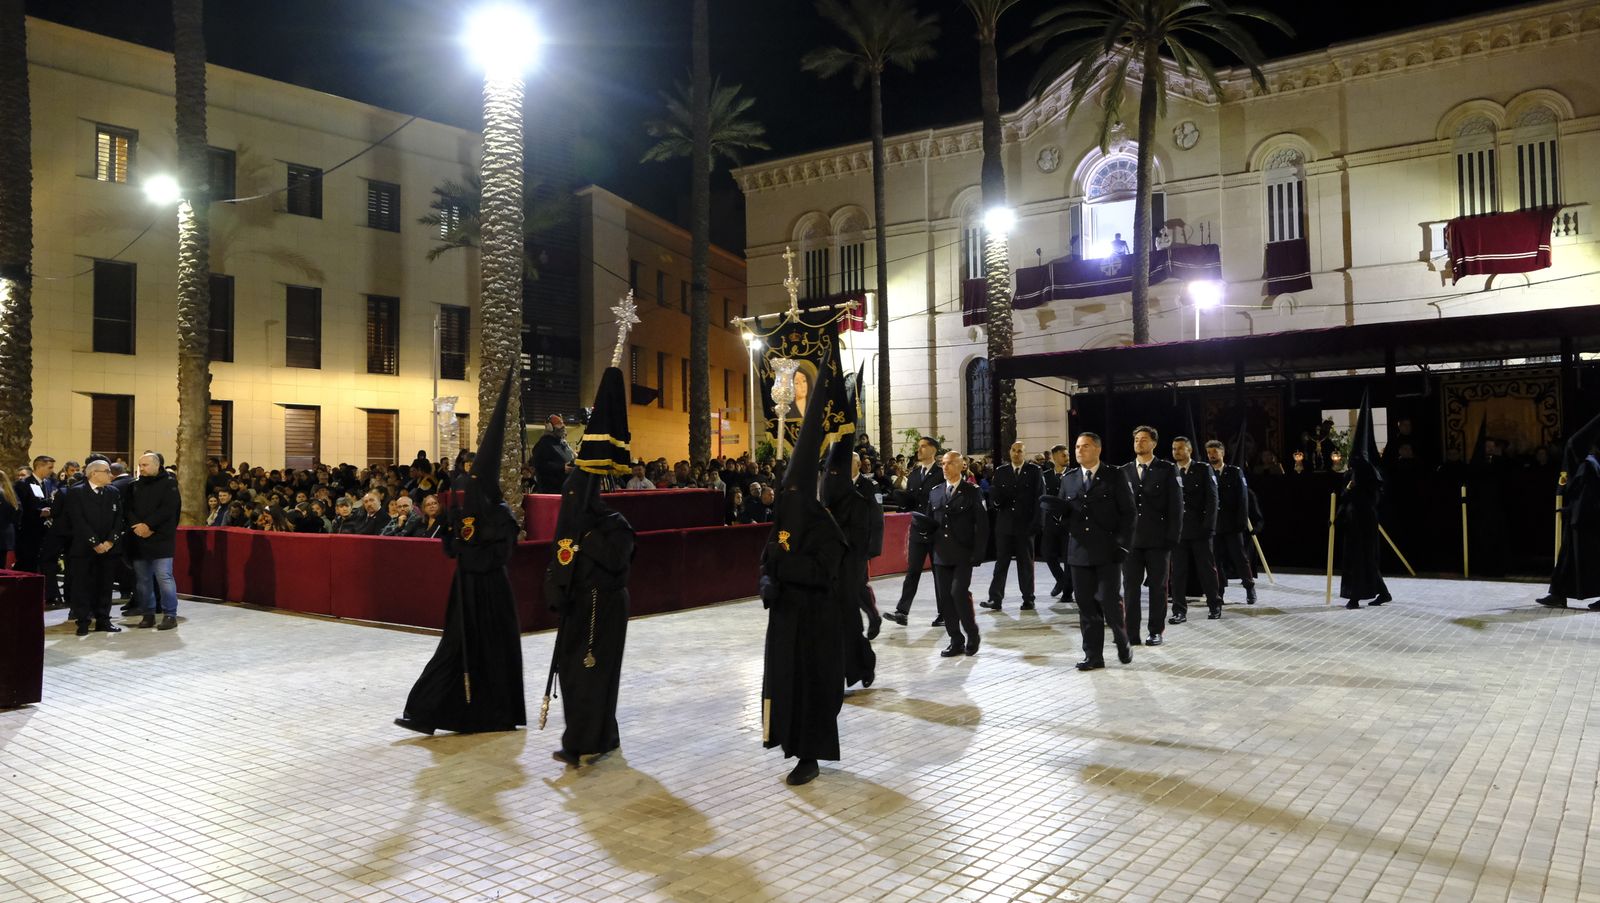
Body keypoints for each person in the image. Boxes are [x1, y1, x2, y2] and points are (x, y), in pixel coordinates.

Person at [395, 369, 526, 736]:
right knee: (453, 650)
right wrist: (451, 528)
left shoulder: (501, 517)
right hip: (463, 593)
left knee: (491, 656)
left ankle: (493, 715)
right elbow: (454, 550)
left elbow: (498, 557)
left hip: (490, 595)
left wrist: (468, 551)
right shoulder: (467, 511)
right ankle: (425, 712)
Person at [545, 364, 637, 767]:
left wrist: (588, 546)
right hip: (577, 608)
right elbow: (558, 559)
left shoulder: (613, 526)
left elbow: (620, 560)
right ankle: (597, 733)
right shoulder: (573, 523)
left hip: (604, 608)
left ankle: (586, 739)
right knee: (575, 673)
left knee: (595, 674)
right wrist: (558, 590)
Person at [760, 362, 846, 786]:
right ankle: (790, 744)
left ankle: (811, 755)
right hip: (784, 620)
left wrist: (784, 568)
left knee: (812, 687)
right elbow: (765, 560)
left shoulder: (824, 527)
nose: (788, 500)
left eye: (795, 493)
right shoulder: (783, 521)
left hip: (814, 622)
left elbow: (822, 570)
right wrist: (766, 581)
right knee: (787, 685)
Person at [1059, 432, 1136, 671]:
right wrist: (1055, 513)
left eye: (1085, 446)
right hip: (1079, 553)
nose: (1079, 451)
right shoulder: (1069, 479)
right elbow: (1064, 513)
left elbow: (1129, 513)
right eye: (1077, 447)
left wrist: (1123, 544)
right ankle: (1093, 656)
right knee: (1086, 606)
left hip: (1108, 552)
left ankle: (1122, 640)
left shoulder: (1114, 475)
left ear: (1098, 450)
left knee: (1110, 602)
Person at [824, 425, 877, 689]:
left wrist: (866, 554)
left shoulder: (860, 494)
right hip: (829, 565)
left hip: (850, 560)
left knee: (849, 620)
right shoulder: (828, 491)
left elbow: (869, 526)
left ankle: (863, 665)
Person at [1121, 426, 1182, 646]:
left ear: (1154, 443)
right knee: (1130, 588)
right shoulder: (1124, 470)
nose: (1139, 443)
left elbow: (1176, 507)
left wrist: (1172, 538)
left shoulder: (1166, 469)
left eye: (1144, 440)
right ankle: (1131, 632)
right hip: (1131, 542)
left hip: (1158, 540)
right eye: (1136, 439)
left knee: (1158, 588)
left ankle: (1155, 631)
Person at [928, 450, 988, 658]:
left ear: (961, 466)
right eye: (943, 463)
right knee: (945, 598)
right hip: (941, 555)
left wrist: (979, 553)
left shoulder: (972, 491)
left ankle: (972, 634)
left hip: (964, 553)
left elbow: (982, 525)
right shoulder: (935, 492)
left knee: (958, 593)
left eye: (950, 463)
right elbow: (929, 524)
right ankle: (955, 640)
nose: (945, 467)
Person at [1538, 412, 1600, 609]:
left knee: (1592, 559)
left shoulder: (1588, 467)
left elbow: (1587, 496)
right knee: (1567, 560)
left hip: (1586, 521)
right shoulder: (1585, 464)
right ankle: (1558, 594)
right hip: (1579, 519)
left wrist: (1572, 512)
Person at [1339, 392, 1392, 610]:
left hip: (1364, 520)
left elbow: (1371, 498)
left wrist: (1353, 489)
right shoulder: (1351, 475)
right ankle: (1381, 592)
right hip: (1353, 520)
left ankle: (1356, 597)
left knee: (1364, 558)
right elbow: (1344, 495)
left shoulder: (1370, 475)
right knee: (1356, 558)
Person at [883, 435, 941, 626]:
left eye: (923, 446)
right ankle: (902, 611)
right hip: (918, 528)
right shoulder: (915, 474)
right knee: (913, 571)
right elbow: (912, 500)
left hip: (936, 530)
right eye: (919, 447)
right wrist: (901, 498)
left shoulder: (941, 473)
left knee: (939, 573)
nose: (919, 450)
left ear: (933, 449)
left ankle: (944, 613)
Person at [61, 459, 123, 637]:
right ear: (94, 473)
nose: (110, 475)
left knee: (105, 585)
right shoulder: (77, 492)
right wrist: (95, 543)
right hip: (84, 548)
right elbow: (78, 520)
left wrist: (110, 541)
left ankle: (103, 619)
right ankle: (83, 621)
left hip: (108, 549)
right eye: (107, 471)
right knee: (82, 585)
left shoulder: (113, 492)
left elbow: (119, 518)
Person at [983, 441, 1043, 612]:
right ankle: (995, 599)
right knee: (1001, 563)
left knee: (1025, 564)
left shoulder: (1034, 471)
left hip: (1025, 526)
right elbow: (994, 495)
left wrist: (1037, 523)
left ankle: (1028, 599)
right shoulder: (1001, 472)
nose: (1016, 454)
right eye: (1014, 450)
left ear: (1025, 453)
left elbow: (1039, 498)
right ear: (1010, 452)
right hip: (1005, 525)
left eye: (1020, 451)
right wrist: (995, 500)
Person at [124, 452, 181, 630]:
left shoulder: (169, 483)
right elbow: (127, 509)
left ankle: (170, 615)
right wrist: (137, 526)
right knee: (143, 580)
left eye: (145, 465)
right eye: (140, 465)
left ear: (157, 465)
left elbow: (169, 509)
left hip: (161, 538)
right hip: (139, 538)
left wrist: (149, 526)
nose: (141, 469)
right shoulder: (134, 486)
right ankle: (148, 614)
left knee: (164, 577)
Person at [1169, 437, 1222, 623]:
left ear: (1189, 450)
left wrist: (1209, 526)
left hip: (1200, 529)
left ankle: (1215, 605)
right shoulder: (1171, 471)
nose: (1176, 452)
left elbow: (1213, 499)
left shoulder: (1202, 469)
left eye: (1180, 449)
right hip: (1178, 531)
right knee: (1177, 573)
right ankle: (1179, 610)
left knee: (1206, 570)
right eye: (1174, 449)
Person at [1207, 440, 1258, 606]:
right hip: (1214, 526)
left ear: (1222, 453)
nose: (1212, 455)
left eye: (1214, 452)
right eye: (1209, 453)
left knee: (1240, 558)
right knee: (1216, 560)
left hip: (1232, 524)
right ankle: (1219, 591)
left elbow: (1243, 500)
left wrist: (1241, 522)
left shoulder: (1234, 472)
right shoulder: (1206, 473)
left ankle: (1249, 587)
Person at [1040, 444, 1074, 603]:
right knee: (1047, 553)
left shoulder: (1074, 474)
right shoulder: (1045, 476)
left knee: (1068, 559)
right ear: (1054, 457)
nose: (1067, 458)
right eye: (1063, 455)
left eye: (1067, 455)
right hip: (1050, 522)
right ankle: (1061, 579)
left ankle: (1068, 591)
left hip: (1069, 523)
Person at [530, 414, 575, 493]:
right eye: (559, 423)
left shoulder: (562, 443)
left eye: (562, 423)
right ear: (549, 427)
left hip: (566, 489)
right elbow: (539, 464)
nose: (563, 426)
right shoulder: (544, 443)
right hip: (551, 491)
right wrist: (562, 467)